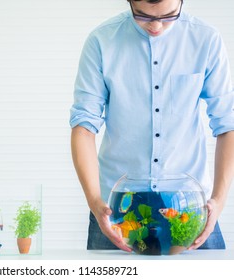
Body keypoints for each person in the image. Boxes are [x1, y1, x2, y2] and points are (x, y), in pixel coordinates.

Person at [69, 0, 234, 252]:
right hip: (118, 207)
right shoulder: (101, 41)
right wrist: (94, 201)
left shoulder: (206, 40)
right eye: (143, 16)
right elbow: (83, 127)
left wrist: (219, 202)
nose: (156, 26)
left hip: (189, 207)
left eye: (169, 16)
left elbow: (227, 125)